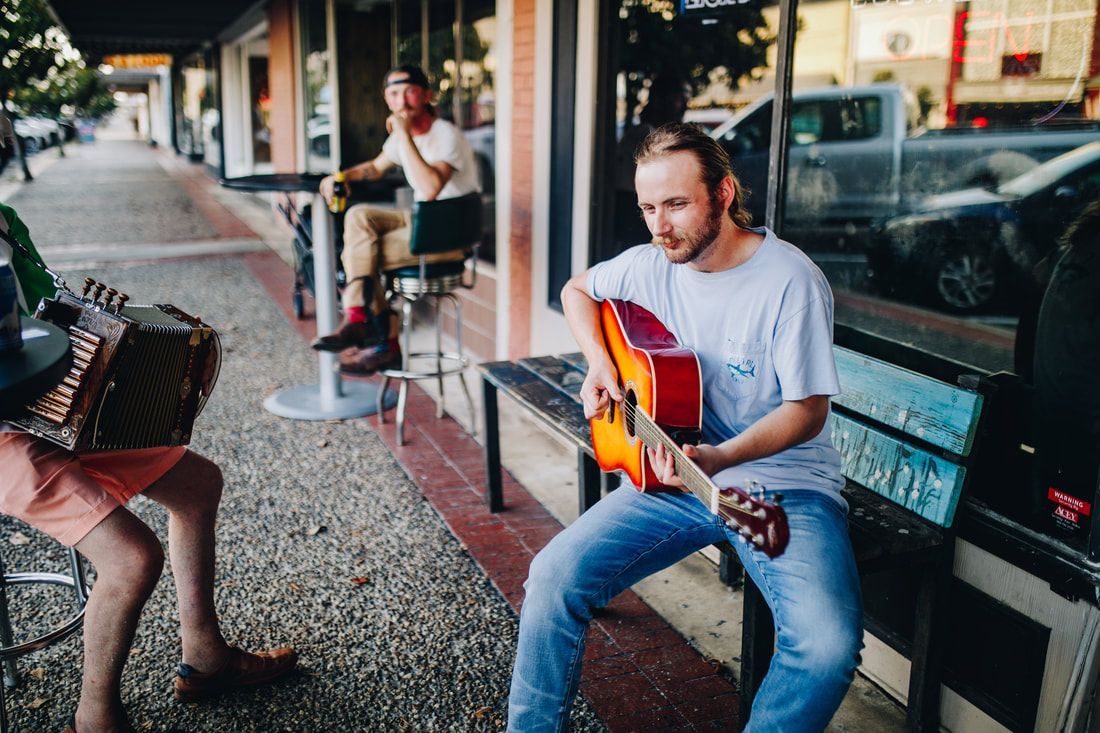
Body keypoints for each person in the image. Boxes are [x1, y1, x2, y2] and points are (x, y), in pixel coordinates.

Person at [507, 123, 862, 732]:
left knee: (826, 650)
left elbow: (809, 411)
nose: (658, 225)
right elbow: (576, 291)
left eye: (675, 204)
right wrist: (599, 362)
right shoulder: (651, 264)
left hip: (777, 490)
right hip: (673, 478)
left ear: (723, 194)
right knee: (551, 579)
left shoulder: (790, 281)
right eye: (648, 207)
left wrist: (722, 457)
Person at [0, 202, 298, 733]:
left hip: (49, 406)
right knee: (132, 558)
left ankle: (205, 658)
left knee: (199, 484)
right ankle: (95, 719)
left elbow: (50, 316)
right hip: (5, 430)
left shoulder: (2, 217)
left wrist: (130, 350)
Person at [313, 65, 480, 374]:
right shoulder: (401, 139)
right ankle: (362, 321)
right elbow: (376, 168)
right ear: (387, 101)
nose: (401, 101)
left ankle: (373, 333)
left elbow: (430, 188)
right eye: (393, 94)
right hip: (422, 222)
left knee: (363, 253)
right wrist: (339, 176)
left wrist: (403, 135)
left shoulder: (446, 135)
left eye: (409, 91)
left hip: (449, 233)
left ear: (426, 96)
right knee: (359, 216)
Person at [613, 76, 691, 250]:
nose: (685, 104)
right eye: (681, 98)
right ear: (662, 100)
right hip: (633, 210)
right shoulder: (645, 134)